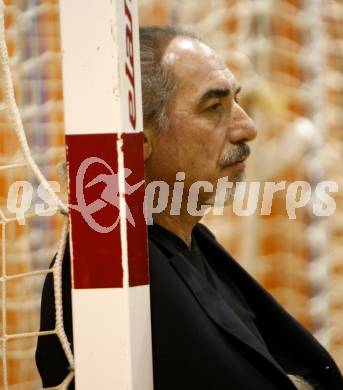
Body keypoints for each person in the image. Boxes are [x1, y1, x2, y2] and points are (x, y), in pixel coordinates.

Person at [36, 26, 343, 390]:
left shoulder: (187, 239)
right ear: (140, 139)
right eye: (214, 107)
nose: (247, 128)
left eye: (236, 101)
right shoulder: (111, 269)